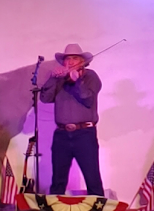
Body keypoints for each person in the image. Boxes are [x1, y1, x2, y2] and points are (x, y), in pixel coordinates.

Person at [40, 44, 104, 196]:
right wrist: (53, 79)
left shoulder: (90, 77)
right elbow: (45, 98)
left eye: (75, 58)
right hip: (61, 135)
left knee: (92, 179)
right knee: (58, 182)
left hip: (84, 134)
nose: (71, 61)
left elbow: (88, 99)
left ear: (82, 61)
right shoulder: (60, 79)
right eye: (68, 58)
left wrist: (77, 82)